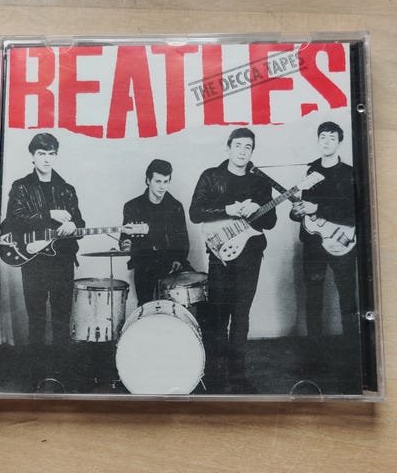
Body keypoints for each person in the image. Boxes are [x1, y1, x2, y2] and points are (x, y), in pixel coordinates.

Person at [189, 128, 277, 393]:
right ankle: (216, 378)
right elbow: (195, 212)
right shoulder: (211, 176)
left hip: (250, 255)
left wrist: (257, 210)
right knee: (219, 315)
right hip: (221, 255)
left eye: (248, 146)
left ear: (252, 151)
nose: (242, 151)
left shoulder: (260, 181)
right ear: (228, 148)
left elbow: (270, 222)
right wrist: (227, 209)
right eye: (238, 145)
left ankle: (238, 378)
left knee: (241, 316)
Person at [6, 133, 85, 354]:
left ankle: (61, 368)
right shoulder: (21, 187)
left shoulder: (67, 189)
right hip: (34, 262)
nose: (47, 159)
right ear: (32, 156)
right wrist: (48, 213)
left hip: (63, 261)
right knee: (36, 319)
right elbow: (13, 220)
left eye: (51, 154)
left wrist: (74, 225)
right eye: (41, 153)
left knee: (62, 318)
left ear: (56, 156)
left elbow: (80, 223)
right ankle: (36, 368)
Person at [290, 121, 358, 339]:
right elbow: (303, 210)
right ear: (318, 141)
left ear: (339, 142)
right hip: (313, 243)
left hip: (343, 241)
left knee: (347, 296)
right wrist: (297, 211)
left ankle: (352, 350)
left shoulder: (350, 173)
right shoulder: (310, 171)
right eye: (323, 137)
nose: (327, 142)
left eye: (332, 138)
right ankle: (315, 352)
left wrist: (317, 207)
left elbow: (355, 210)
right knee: (313, 296)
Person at [120, 159, 190, 306]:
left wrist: (179, 259)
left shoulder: (176, 206)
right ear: (148, 180)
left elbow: (183, 240)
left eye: (166, 181)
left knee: (198, 289)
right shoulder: (132, 206)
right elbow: (125, 237)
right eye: (158, 181)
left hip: (171, 262)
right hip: (144, 263)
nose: (162, 186)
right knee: (146, 306)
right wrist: (126, 244)